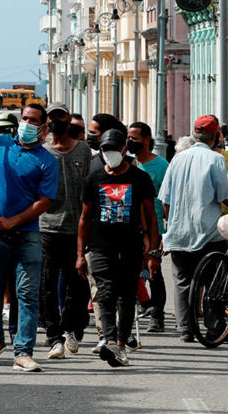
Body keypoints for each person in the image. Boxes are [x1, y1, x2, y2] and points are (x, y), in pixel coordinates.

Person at [0, 96, 58, 373]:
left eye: (34, 121)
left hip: (27, 236)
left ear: (44, 129)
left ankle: (23, 352)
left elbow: (44, 202)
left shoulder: (47, 161)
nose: (27, 124)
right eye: (25, 119)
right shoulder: (0, 144)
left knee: (27, 294)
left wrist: (14, 221)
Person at [77, 129, 159, 367]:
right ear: (100, 151)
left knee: (125, 296)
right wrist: (80, 254)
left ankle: (121, 345)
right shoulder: (93, 178)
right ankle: (110, 340)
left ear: (124, 150)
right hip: (101, 247)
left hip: (131, 247)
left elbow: (151, 217)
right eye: (105, 150)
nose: (110, 154)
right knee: (105, 293)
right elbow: (84, 218)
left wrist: (153, 251)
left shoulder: (139, 178)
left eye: (115, 149)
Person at [158, 115, 228, 342]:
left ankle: (185, 329)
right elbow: (223, 195)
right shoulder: (215, 160)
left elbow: (165, 199)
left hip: (178, 234)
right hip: (208, 233)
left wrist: (173, 224)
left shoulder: (177, 159)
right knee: (213, 283)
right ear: (216, 135)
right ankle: (213, 327)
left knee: (182, 281)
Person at [39, 102, 91, 360]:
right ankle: (53, 337)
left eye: (60, 116)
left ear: (68, 118)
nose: (56, 121)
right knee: (47, 284)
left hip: (77, 228)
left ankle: (73, 328)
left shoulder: (83, 150)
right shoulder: (43, 151)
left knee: (77, 285)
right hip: (47, 227)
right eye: (51, 117)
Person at [128, 121, 169, 333]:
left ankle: (157, 315)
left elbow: (169, 199)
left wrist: (167, 230)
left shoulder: (162, 166)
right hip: (131, 226)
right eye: (128, 138)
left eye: (134, 138)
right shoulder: (128, 164)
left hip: (154, 228)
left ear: (146, 139)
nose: (130, 142)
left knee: (154, 272)